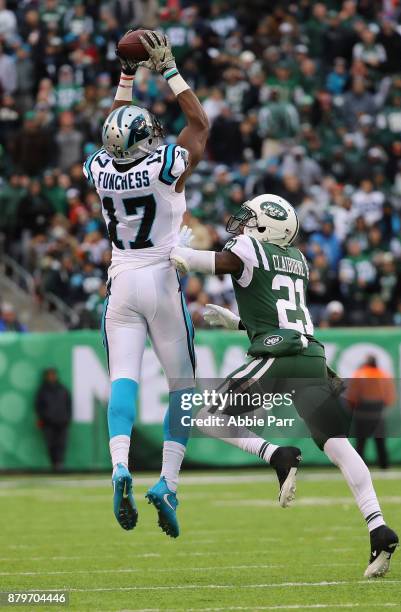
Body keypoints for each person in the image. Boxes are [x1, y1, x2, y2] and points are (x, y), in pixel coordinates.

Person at [170, 193, 399, 578]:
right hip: (311, 357)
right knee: (340, 447)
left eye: (250, 219)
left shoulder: (249, 247)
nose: (242, 225)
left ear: (265, 226)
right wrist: (240, 323)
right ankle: (379, 527)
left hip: (281, 354)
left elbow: (213, 263)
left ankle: (276, 455)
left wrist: (180, 253)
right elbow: (279, 308)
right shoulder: (298, 260)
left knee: (204, 414)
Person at [83, 31, 209, 536]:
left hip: (120, 281)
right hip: (161, 275)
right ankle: (167, 482)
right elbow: (198, 124)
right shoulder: (164, 165)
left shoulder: (98, 168)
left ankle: (118, 467)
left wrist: (127, 76)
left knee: (123, 382)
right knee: (183, 385)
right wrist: (170, 70)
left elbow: (112, 130)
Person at [347, 356, 396, 469]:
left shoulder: (359, 374)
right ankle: (384, 466)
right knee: (380, 442)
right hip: (378, 414)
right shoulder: (383, 375)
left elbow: (352, 396)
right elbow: (389, 397)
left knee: (360, 443)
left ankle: (358, 467)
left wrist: (352, 407)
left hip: (361, 414)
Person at [35, 368, 72, 471]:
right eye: (49, 375)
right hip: (48, 423)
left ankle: (59, 464)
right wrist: (44, 417)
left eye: (53, 374)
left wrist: (67, 417)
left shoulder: (62, 389)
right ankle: (54, 464)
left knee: (61, 444)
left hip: (62, 422)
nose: (52, 377)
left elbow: (69, 404)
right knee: (51, 444)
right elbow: (38, 406)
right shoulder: (42, 391)